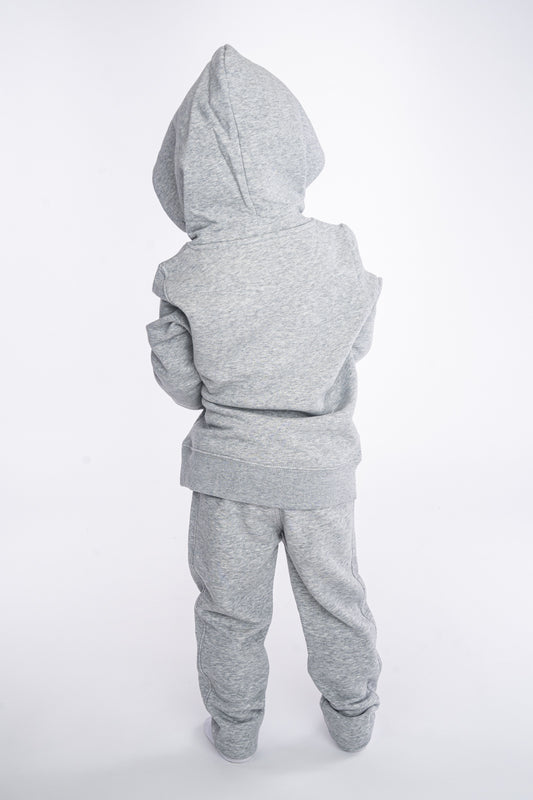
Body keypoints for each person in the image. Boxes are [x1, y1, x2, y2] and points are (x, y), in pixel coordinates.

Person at [145, 43, 384, 764]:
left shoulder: (185, 270)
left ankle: (235, 731)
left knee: (229, 612)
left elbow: (183, 387)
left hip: (229, 476)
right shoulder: (337, 249)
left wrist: (176, 339)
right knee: (336, 601)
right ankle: (353, 720)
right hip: (319, 475)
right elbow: (355, 346)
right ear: (293, 147)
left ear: (184, 172)